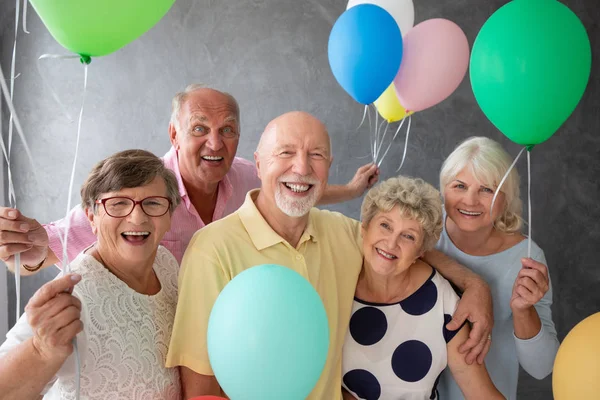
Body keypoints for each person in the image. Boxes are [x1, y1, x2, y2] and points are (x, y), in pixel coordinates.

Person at [165, 111, 495, 399]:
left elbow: (402, 247)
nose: (301, 167)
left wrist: (473, 283)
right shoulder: (212, 250)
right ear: (259, 163)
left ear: (329, 168)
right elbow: (199, 387)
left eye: (317, 155)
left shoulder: (344, 233)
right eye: (286, 152)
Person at [0, 84, 379, 273]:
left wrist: (350, 190)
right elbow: (53, 244)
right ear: (174, 135)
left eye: (228, 130)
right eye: (200, 128)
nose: (215, 143)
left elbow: (293, 189)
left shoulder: (246, 174)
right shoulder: (135, 190)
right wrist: (27, 251)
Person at [0, 149, 182, 399]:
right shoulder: (72, 294)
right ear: (91, 217)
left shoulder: (166, 263)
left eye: (153, 203)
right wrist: (40, 350)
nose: (138, 218)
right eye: (118, 203)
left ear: (170, 214)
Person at [342, 176, 503, 400]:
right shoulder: (337, 281)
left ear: (421, 251)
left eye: (408, 236)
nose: (391, 243)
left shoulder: (441, 300)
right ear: (365, 228)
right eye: (385, 225)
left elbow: (481, 394)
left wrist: (476, 284)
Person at [436, 137, 560, 400]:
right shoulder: (420, 233)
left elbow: (541, 368)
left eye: (487, 190)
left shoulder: (527, 258)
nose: (470, 201)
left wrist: (522, 311)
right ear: (443, 189)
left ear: (507, 198)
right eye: (459, 185)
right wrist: (474, 283)